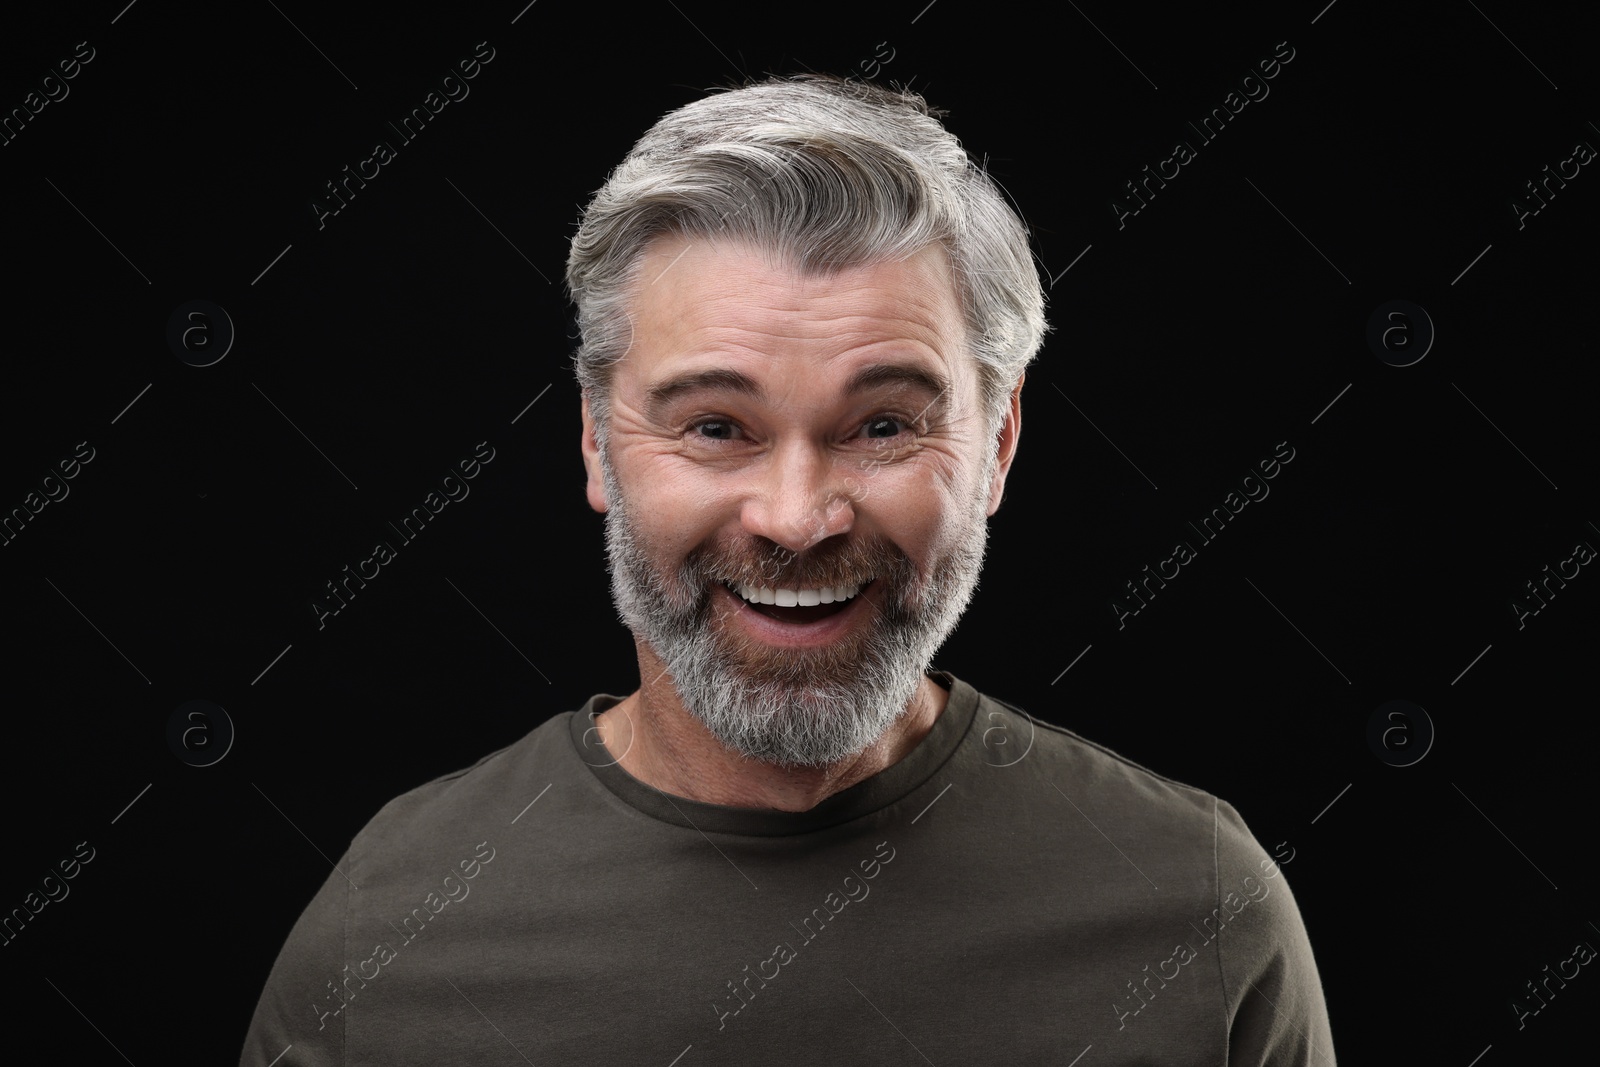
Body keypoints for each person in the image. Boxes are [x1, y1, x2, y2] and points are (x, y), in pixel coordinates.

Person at [240, 73, 1336, 1065]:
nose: (797, 518)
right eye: (716, 426)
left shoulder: (1196, 908)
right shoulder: (392, 925)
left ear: (996, 447)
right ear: (594, 442)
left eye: (882, 426)